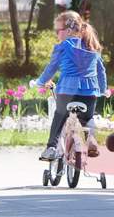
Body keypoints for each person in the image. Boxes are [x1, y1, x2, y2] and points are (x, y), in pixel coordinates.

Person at [32, 10, 107, 161]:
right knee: (88, 118)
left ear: (67, 31)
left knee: (59, 115)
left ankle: (51, 148)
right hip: (90, 92)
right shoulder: (91, 45)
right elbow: (101, 71)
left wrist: (40, 82)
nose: (56, 34)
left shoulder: (63, 46)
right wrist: (103, 89)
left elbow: (51, 68)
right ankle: (91, 139)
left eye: (57, 31)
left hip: (67, 90)